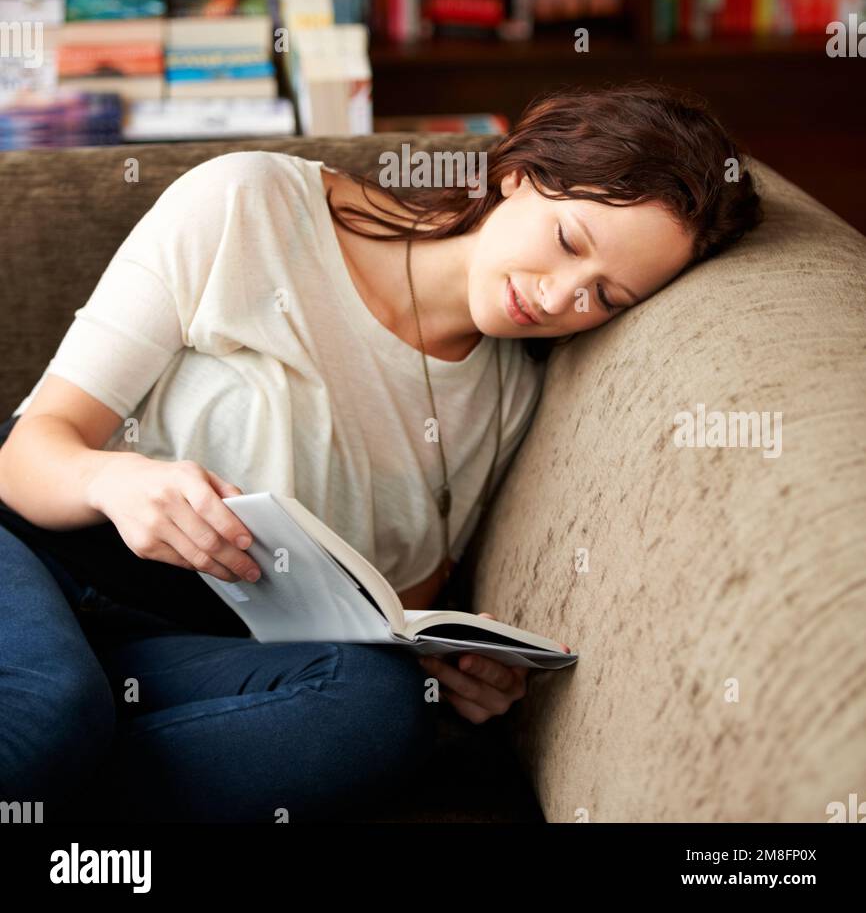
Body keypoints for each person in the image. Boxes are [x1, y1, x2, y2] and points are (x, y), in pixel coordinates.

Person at [0, 82, 762, 823]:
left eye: (605, 297)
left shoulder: (508, 400)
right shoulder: (249, 205)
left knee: (374, 711)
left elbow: (384, 606)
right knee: (52, 704)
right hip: (40, 554)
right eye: (568, 242)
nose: (562, 298)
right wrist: (116, 481)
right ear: (520, 174)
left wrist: (453, 663)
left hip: (181, 642)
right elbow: (27, 457)